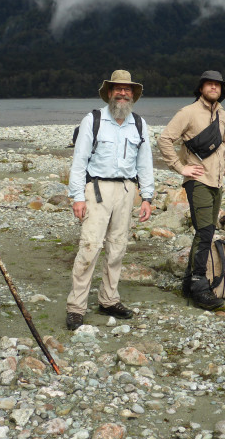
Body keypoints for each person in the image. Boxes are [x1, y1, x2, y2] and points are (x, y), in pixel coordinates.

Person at [66, 70, 155, 330]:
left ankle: (109, 299)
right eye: (118, 89)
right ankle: (76, 307)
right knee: (89, 248)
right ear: (109, 93)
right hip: (97, 190)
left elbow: (145, 162)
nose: (123, 93)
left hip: (127, 192)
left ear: (133, 95)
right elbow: (79, 161)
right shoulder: (92, 120)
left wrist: (147, 197)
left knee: (117, 248)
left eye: (127, 89)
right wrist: (77, 197)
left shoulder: (138, 124)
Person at [157, 70, 225, 310]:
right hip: (198, 181)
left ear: (221, 90)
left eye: (217, 85)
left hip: (216, 181)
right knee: (205, 230)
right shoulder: (188, 112)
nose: (213, 88)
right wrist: (181, 167)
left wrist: (222, 162)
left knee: (206, 232)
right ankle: (200, 286)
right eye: (209, 84)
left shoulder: (223, 115)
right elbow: (164, 139)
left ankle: (190, 281)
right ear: (201, 88)